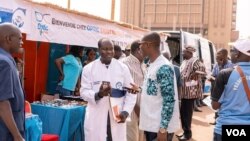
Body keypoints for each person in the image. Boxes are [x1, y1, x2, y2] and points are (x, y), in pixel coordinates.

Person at [80, 38, 139, 141]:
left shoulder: (122, 68)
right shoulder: (88, 69)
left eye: (111, 49)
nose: (108, 52)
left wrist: (125, 112)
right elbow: (83, 91)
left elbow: (131, 92)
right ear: (99, 50)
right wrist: (98, 94)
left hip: (117, 115)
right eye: (105, 49)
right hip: (96, 115)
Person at [139, 32, 176, 141]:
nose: (139, 47)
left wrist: (163, 129)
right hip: (151, 124)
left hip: (158, 127)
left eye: (141, 44)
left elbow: (169, 100)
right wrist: (139, 89)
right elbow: (154, 90)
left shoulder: (163, 67)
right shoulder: (152, 64)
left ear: (148, 45)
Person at [211, 39, 250, 141]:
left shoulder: (225, 74)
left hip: (227, 126)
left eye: (232, 50)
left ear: (237, 54)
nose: (230, 53)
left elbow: (215, 106)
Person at [0, 23, 25, 141]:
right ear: (8, 39)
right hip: (6, 132)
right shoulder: (4, 62)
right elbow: (2, 102)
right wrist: (16, 135)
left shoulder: (6, 59)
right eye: (20, 38)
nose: (22, 42)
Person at [177, 45, 206, 141]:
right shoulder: (185, 61)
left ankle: (187, 134)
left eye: (184, 52)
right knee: (183, 113)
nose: (182, 53)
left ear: (189, 53)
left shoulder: (195, 60)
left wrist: (195, 73)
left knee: (187, 114)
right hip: (184, 92)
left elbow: (202, 69)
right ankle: (185, 131)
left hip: (190, 92)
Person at [121, 40, 144, 141]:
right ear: (139, 50)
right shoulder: (124, 64)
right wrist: (137, 108)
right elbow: (124, 90)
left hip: (142, 112)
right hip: (130, 112)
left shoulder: (143, 64)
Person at [209, 48, 234, 125]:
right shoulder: (216, 64)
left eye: (219, 54)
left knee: (224, 106)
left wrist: (220, 67)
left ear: (225, 55)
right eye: (216, 54)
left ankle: (224, 122)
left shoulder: (231, 65)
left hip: (227, 91)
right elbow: (213, 74)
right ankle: (216, 120)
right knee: (216, 105)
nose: (216, 56)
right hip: (217, 89)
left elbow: (228, 78)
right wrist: (211, 77)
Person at [162, 51, 182, 141]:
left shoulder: (176, 69)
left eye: (166, 58)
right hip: (160, 102)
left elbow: (179, 85)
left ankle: (169, 138)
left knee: (172, 122)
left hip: (173, 101)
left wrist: (179, 100)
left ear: (170, 59)